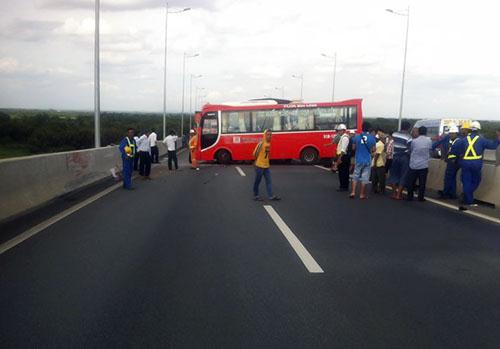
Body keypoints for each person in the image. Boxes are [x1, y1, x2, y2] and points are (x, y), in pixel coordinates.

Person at [451, 121, 500, 210]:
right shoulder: (481, 139)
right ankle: (468, 198)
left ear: (470, 129)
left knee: (466, 181)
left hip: (465, 163)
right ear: (478, 130)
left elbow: (456, 151)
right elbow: (493, 145)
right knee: (476, 181)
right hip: (476, 163)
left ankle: (467, 198)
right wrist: (498, 137)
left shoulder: (463, 140)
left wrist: (458, 160)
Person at [432, 125, 460, 199]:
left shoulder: (458, 141)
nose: (451, 135)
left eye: (452, 133)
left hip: (453, 162)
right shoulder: (452, 139)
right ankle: (452, 194)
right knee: (452, 178)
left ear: (456, 133)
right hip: (453, 162)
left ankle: (446, 194)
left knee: (448, 178)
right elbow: (437, 143)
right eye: (450, 133)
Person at [350, 122, 376, 199]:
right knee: (365, 177)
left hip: (358, 158)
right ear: (369, 129)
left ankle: (353, 192)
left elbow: (353, 148)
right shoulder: (372, 138)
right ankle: (361, 194)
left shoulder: (357, 137)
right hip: (367, 160)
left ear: (362, 127)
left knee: (355, 176)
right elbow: (374, 150)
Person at [387, 121, 412, 200]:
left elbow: (390, 144)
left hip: (394, 156)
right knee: (403, 175)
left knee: (393, 175)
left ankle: (394, 193)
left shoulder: (394, 134)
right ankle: (398, 194)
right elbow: (409, 149)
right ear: (408, 128)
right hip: (404, 157)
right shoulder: (409, 137)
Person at [253, 129, 280, 201]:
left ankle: (271, 196)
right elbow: (254, 153)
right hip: (259, 166)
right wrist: (256, 162)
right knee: (257, 181)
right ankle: (256, 195)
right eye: (268, 134)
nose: (269, 136)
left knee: (269, 181)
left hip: (266, 166)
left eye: (271, 134)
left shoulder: (269, 144)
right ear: (264, 135)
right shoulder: (261, 143)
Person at [406, 126, 432, 201]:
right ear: (426, 132)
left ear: (419, 132)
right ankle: (420, 197)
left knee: (411, 181)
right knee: (422, 183)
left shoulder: (414, 141)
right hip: (424, 165)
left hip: (414, 164)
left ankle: (409, 196)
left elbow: (412, 149)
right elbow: (430, 150)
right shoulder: (429, 141)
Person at [333, 124, 350, 191]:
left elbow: (343, 150)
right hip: (342, 156)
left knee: (343, 172)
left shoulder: (345, 138)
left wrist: (339, 159)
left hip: (343, 156)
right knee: (342, 172)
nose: (338, 132)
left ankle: (344, 186)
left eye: (339, 131)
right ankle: (343, 186)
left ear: (343, 130)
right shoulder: (342, 137)